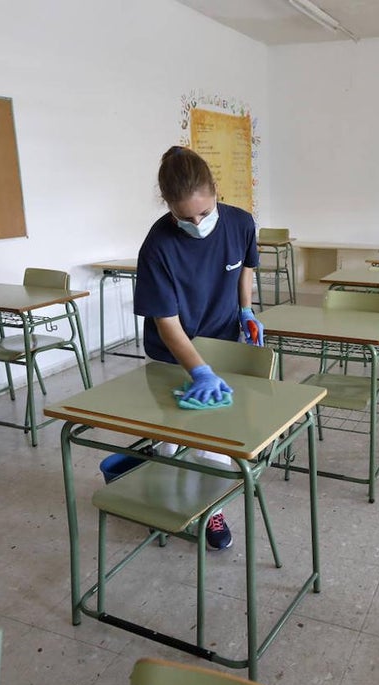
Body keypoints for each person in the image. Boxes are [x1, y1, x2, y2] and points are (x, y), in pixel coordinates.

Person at [134, 145, 264, 550]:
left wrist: (246, 310)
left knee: (214, 434)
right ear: (168, 207)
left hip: (223, 340)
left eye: (204, 214)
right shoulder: (158, 245)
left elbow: (244, 268)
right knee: (172, 432)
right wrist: (199, 370)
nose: (196, 222)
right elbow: (167, 324)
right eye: (184, 217)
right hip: (171, 351)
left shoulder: (241, 223)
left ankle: (212, 510)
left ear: (216, 192)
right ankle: (165, 497)